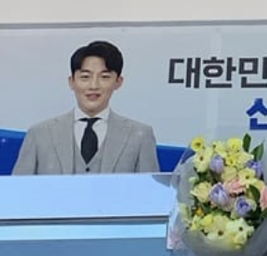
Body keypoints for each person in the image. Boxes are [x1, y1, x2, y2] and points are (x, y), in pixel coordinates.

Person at [12, 40, 159, 175]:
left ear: (118, 82)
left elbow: (151, 192)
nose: (93, 86)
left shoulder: (140, 135)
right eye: (85, 77)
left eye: (104, 77)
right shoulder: (39, 134)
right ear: (71, 81)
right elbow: (19, 190)